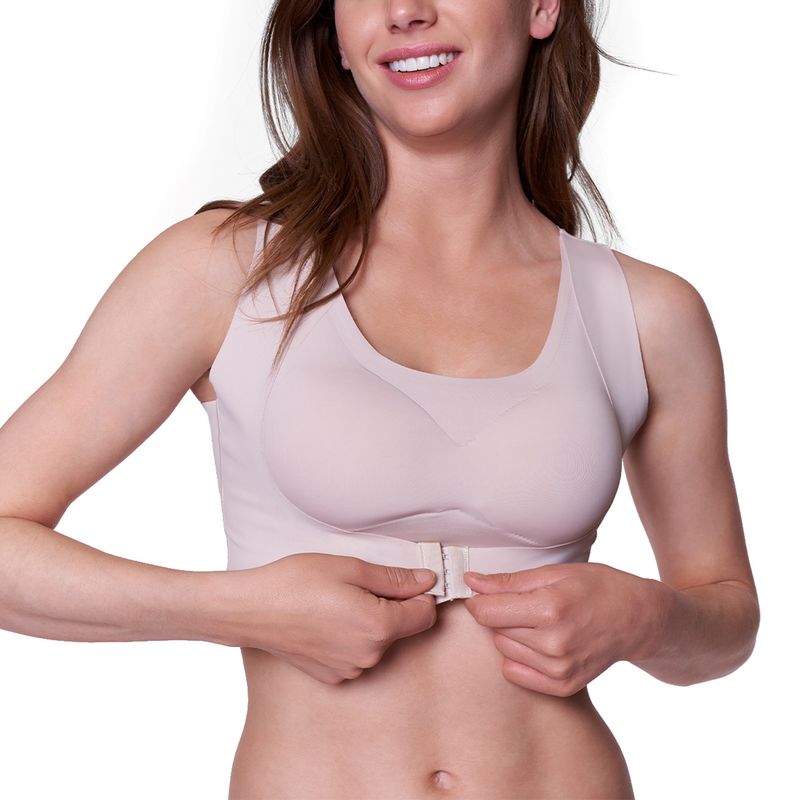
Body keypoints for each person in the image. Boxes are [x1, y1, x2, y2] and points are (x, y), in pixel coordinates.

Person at [0, 1, 760, 798]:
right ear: (335, 32)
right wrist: (236, 610)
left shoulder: (647, 315)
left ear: (541, 7)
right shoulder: (226, 274)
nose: (404, 12)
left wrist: (645, 618)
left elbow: (727, 618)